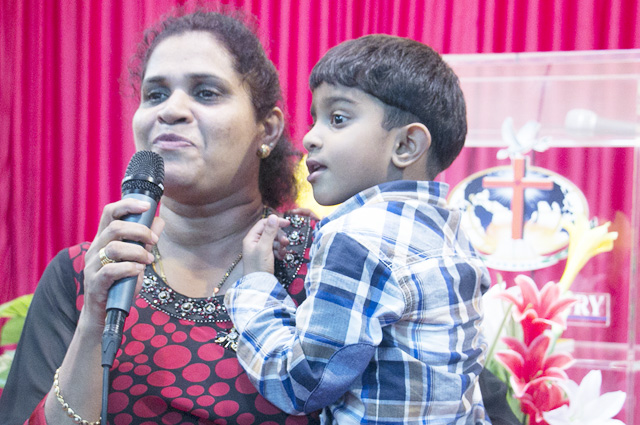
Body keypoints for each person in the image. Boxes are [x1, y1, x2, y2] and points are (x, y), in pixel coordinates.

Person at [0, 9, 321, 425]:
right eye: (155, 95)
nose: (170, 111)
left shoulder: (327, 259)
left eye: (206, 92)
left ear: (269, 128)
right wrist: (93, 324)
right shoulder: (81, 275)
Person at [225, 35, 492, 424]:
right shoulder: (452, 230)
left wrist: (256, 285)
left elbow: (301, 382)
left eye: (338, 118)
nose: (310, 137)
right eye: (315, 118)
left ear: (406, 145)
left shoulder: (355, 238)